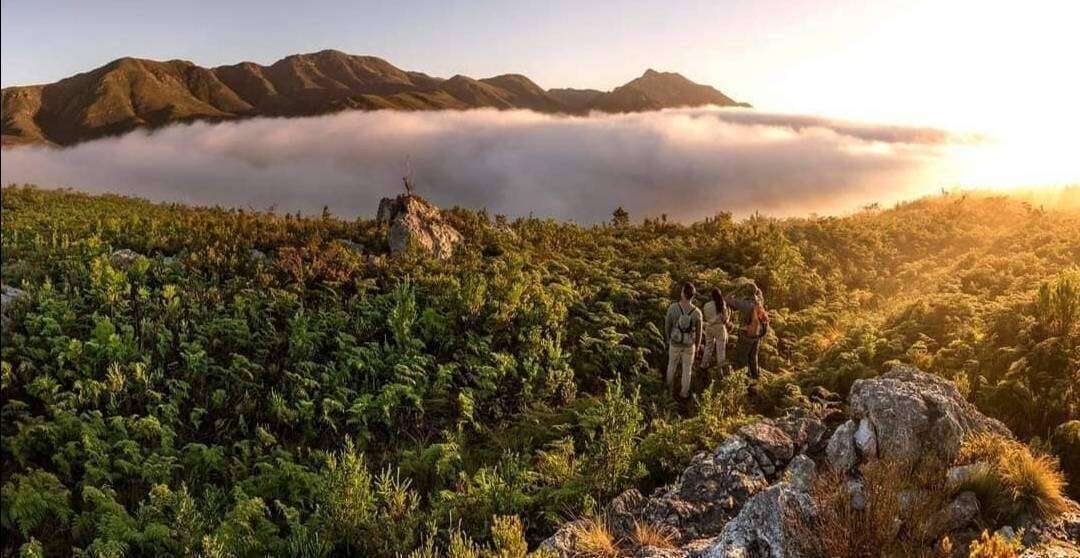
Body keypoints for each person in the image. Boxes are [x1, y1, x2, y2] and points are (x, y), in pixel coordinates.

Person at [664, 282, 703, 399]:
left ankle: (668, 390)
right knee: (687, 370)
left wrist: (667, 338)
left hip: (674, 342)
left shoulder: (673, 307)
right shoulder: (697, 312)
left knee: (671, 366)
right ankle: (684, 394)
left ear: (682, 294)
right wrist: (697, 346)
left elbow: (667, 325)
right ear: (693, 296)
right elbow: (699, 332)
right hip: (689, 345)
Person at [727, 286, 768, 379]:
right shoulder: (759, 301)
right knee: (753, 356)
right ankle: (755, 377)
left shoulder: (744, 304)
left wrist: (737, 289)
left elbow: (727, 299)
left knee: (742, 357)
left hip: (746, 334)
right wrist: (756, 289)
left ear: (746, 292)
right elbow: (760, 292)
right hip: (758, 333)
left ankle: (745, 379)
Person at [700, 288, 731, 372]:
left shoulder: (706, 305)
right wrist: (729, 315)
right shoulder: (722, 304)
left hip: (709, 328)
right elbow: (725, 319)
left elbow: (706, 317)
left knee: (708, 347)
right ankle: (720, 370)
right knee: (721, 351)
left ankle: (704, 365)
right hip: (719, 328)